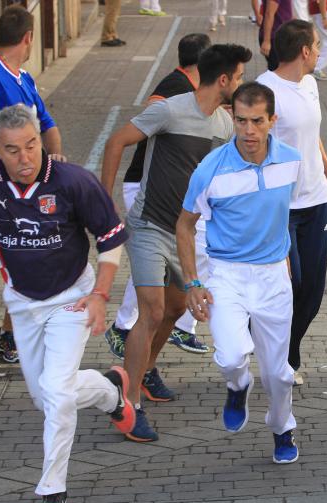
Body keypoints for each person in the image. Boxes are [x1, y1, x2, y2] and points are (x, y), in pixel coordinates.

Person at [0, 104, 135, 503]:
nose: (25, 158)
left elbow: (110, 239)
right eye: (13, 150)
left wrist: (99, 295)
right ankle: (111, 392)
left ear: (40, 139)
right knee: (48, 397)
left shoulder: (74, 181)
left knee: (57, 394)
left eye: (32, 145)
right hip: (22, 304)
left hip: (73, 298)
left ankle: (52, 492)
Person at [101, 44, 251, 442]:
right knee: (150, 311)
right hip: (149, 226)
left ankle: (144, 370)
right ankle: (129, 404)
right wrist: (103, 204)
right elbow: (116, 141)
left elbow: (218, 184)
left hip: (185, 233)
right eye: (237, 77)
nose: (239, 83)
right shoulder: (169, 109)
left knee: (176, 307)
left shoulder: (222, 125)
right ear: (223, 80)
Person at [177, 81, 301, 464]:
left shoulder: (292, 161)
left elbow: (286, 215)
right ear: (232, 116)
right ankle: (237, 386)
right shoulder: (209, 170)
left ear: (272, 121)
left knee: (279, 375)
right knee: (231, 356)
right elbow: (184, 225)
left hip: (273, 279)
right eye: (241, 120)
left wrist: (283, 262)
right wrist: (193, 282)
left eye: (257, 121)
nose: (248, 131)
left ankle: (282, 428)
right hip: (226, 276)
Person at [0, 5, 65, 365]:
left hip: (16, 187)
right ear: (28, 38)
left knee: (27, 254)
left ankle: (10, 335)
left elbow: (47, 123)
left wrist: (56, 161)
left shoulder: (24, 79)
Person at [104, 33, 213, 360]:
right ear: (203, 66)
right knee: (167, 254)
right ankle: (127, 326)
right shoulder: (177, 89)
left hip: (164, 186)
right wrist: (104, 198)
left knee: (169, 259)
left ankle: (173, 323)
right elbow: (150, 110)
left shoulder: (186, 88)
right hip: (146, 185)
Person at [257, 20, 327, 386]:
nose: (319, 49)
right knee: (290, 284)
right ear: (304, 51)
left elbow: (312, 136)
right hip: (281, 207)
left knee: (312, 290)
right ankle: (276, 356)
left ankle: (288, 353)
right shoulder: (265, 91)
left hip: (317, 201)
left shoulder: (310, 84)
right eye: (316, 44)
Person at [259, 0, 294, 71]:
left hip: (281, 35)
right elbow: (269, 14)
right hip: (274, 37)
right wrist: (266, 41)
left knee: (280, 70)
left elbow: (285, 9)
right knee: (277, 70)